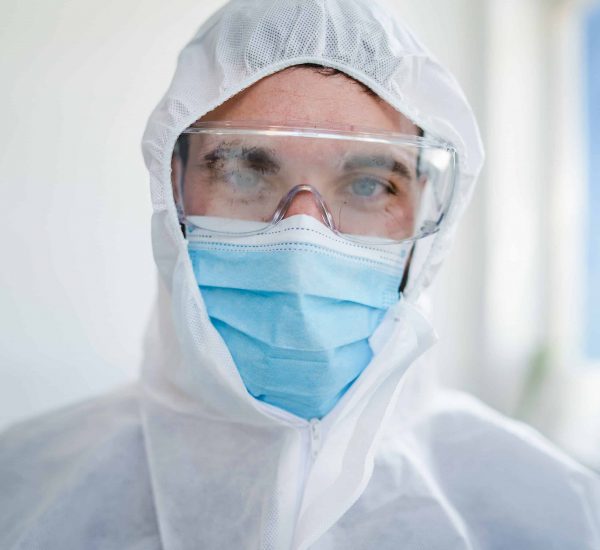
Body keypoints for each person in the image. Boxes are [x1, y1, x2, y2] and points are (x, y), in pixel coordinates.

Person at [1, 0, 599, 548]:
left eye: (370, 184)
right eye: (242, 170)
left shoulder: (555, 513)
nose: (303, 234)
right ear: (172, 193)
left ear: (427, 219)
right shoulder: (23, 494)